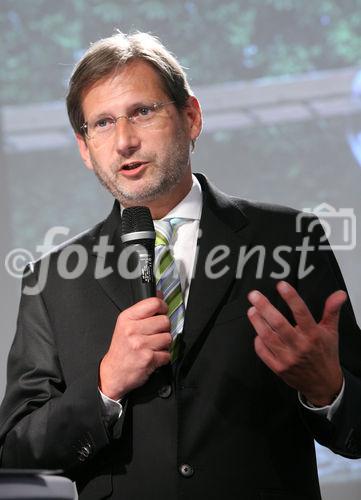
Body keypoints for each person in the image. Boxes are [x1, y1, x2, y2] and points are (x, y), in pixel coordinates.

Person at [1, 31, 361, 500]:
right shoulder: (51, 281)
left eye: (142, 112)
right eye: (103, 124)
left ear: (191, 117)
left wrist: (326, 389)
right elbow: (16, 452)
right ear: (85, 149)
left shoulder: (291, 239)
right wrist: (105, 387)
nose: (125, 141)